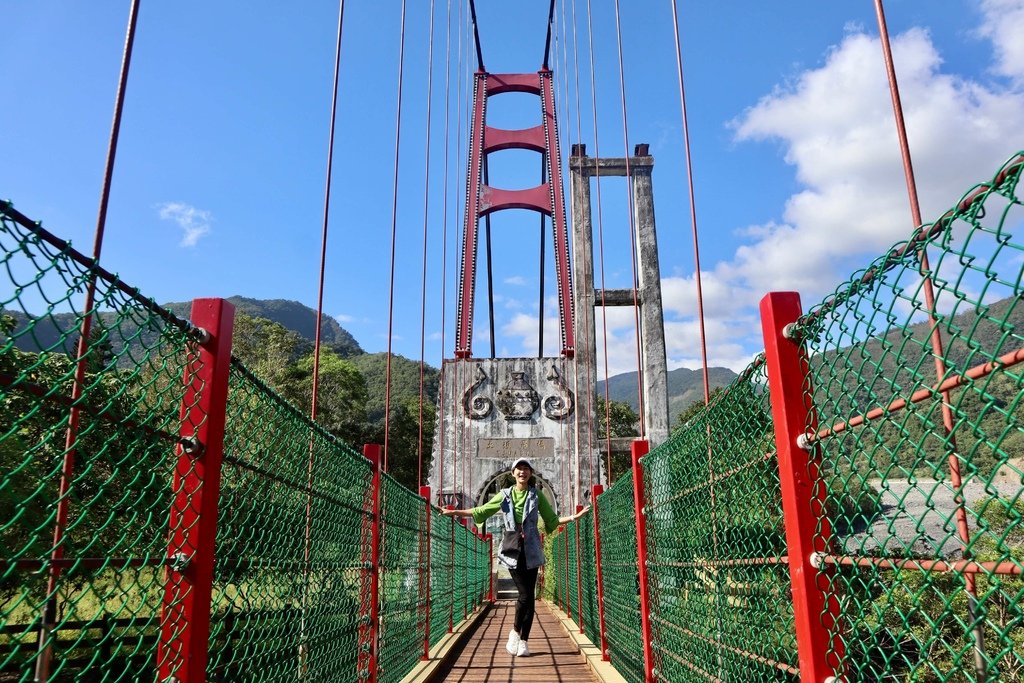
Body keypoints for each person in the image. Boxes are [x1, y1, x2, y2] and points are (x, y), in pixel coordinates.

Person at [440, 458, 588, 657]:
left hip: (532, 550)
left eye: (526, 469)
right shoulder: (504, 495)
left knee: (530, 599)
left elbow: (551, 520)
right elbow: (481, 511)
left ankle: (523, 642)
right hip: (512, 550)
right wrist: (454, 511)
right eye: (519, 469)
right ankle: (514, 632)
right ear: (513, 473)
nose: (523, 472)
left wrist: (573, 518)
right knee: (525, 596)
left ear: (530, 473)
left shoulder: (536, 496)